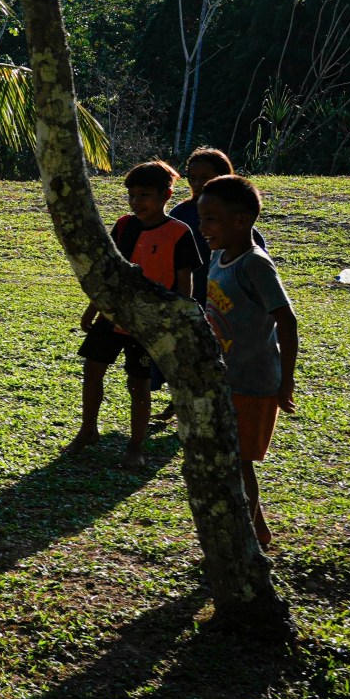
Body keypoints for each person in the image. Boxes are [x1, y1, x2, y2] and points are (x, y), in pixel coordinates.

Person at [75, 160, 202, 464]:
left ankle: (135, 446)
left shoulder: (179, 233)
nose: (136, 202)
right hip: (113, 315)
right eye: (131, 195)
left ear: (166, 195)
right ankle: (88, 429)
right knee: (92, 370)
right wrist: (93, 308)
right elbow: (110, 272)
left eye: (144, 195)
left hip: (150, 323)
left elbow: (185, 284)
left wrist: (177, 320)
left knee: (138, 383)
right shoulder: (123, 225)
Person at [195, 175, 298, 550]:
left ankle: (244, 543)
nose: (203, 228)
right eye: (201, 218)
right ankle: (257, 531)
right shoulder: (218, 258)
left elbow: (287, 321)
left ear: (240, 220)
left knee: (239, 464)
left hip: (254, 382)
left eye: (211, 219)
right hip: (225, 378)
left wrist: (285, 382)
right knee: (228, 461)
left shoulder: (255, 264)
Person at [169, 146, 266, 254]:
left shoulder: (233, 213)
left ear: (223, 177)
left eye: (205, 177)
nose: (197, 184)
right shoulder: (180, 214)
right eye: (193, 178)